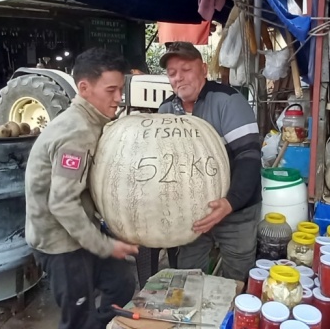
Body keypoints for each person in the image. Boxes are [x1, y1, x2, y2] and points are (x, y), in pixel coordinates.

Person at [24, 47, 139, 329]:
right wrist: (105, 245)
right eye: (111, 90)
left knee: (121, 283)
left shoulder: (93, 122)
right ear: (84, 88)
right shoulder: (76, 133)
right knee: (77, 318)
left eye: (120, 89)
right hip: (60, 241)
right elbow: (62, 204)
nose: (118, 98)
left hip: (81, 230)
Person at [157, 41, 262, 282]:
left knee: (238, 275)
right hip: (192, 211)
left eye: (186, 70)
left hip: (237, 208)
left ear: (203, 69)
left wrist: (230, 202)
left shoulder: (229, 101)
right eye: (172, 73)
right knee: (188, 273)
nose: (178, 78)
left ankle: (236, 318)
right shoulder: (165, 110)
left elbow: (249, 157)